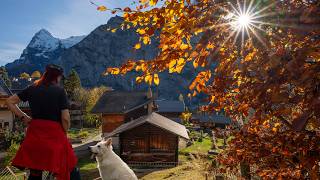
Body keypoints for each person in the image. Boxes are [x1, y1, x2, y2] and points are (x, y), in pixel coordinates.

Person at [6, 64, 77, 180]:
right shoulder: (59, 91)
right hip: (54, 135)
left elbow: (9, 101)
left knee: (35, 172)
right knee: (68, 166)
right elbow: (65, 118)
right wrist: (64, 130)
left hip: (35, 134)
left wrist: (23, 117)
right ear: (57, 77)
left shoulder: (32, 88)